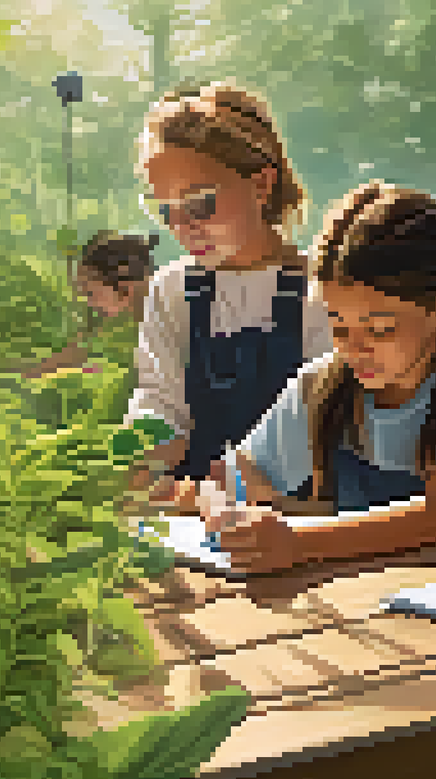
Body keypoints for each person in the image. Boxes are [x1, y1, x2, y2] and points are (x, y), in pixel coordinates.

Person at [176, 181, 436, 573]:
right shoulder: (320, 388)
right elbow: (236, 475)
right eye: (339, 326)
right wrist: (220, 506)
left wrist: (294, 543)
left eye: (380, 329)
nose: (354, 349)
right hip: (365, 602)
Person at [127, 81, 332, 494]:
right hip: (197, 516)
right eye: (165, 210)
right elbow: (160, 407)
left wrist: (234, 488)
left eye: (199, 202)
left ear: (260, 185)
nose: (183, 226)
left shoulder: (324, 288)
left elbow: (327, 423)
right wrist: (124, 464)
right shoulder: (170, 291)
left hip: (302, 515)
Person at [22, 231, 157, 379]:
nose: (89, 302)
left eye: (90, 292)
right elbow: (77, 353)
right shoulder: (118, 324)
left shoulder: (168, 313)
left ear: (124, 279)